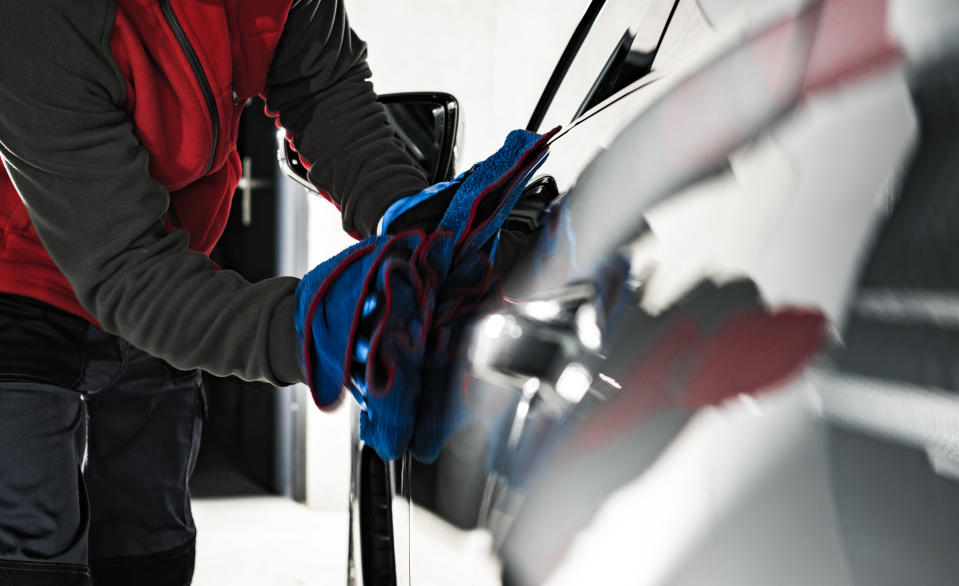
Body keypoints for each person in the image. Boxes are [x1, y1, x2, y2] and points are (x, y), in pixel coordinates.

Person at [0, 1, 435, 584]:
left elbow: (327, 96)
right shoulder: (37, 18)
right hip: (21, 279)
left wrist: (417, 224)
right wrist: (313, 331)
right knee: (30, 555)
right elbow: (127, 271)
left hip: (171, 266)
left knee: (150, 548)